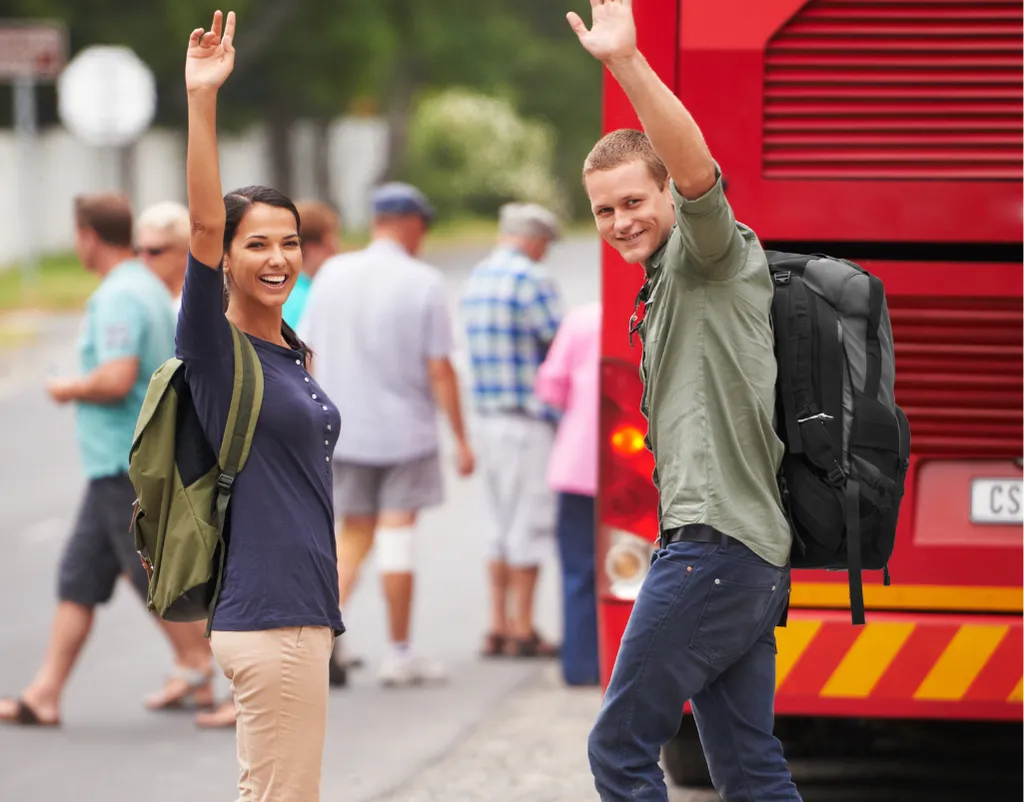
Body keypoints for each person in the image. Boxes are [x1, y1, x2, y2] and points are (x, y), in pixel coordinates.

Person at [568, 2, 801, 801]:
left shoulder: (712, 257)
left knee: (619, 748)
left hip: (716, 551)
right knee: (747, 766)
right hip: (744, 556)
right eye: (604, 210)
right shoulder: (664, 285)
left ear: (669, 192)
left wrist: (626, 63)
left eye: (634, 201)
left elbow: (699, 169)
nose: (619, 221)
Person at [180, 11, 342, 799]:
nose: (278, 259)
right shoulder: (217, 349)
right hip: (271, 616)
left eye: (289, 242)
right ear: (227, 257)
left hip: (298, 613)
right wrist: (202, 98)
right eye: (256, 244)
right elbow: (203, 222)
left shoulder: (289, 349)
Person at [0, 193, 213, 725]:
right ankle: (45, 693)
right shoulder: (145, 286)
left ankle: (206, 664)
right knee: (80, 577)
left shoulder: (120, 295)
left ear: (89, 236)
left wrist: (67, 388)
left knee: (150, 577)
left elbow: (118, 377)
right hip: (120, 462)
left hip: (126, 462)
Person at [298, 182, 474, 687]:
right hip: (405, 433)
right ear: (411, 224)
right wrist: (461, 438)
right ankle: (399, 653)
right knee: (397, 536)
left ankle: (314, 642)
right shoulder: (423, 281)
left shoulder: (332, 274)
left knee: (352, 536)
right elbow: (440, 367)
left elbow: (306, 353)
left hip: (342, 430)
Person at [460, 202, 563, 659]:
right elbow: (558, 342)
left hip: (486, 419)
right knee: (529, 523)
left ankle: (497, 624)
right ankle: (523, 627)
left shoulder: (478, 277)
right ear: (535, 240)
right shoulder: (532, 279)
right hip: (526, 420)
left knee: (497, 523)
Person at [534, 301, 602, 686]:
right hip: (643, 466)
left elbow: (551, 386)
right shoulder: (659, 308)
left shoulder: (582, 319)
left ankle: (580, 665)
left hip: (578, 466)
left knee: (578, 569)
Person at [282, 200, 341, 329]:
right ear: (311, 248)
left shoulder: (281, 293)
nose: (336, 250)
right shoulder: (313, 299)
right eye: (331, 243)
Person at [136, 201, 190, 316]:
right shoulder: (137, 300)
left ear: (183, 252)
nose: (143, 258)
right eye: (139, 250)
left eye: (154, 251)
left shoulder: (198, 306)